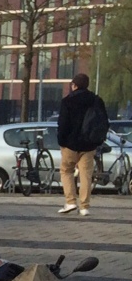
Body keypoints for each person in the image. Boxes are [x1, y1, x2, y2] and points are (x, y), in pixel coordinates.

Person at [56, 72, 109, 218]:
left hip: (70, 144)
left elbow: (62, 123)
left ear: (74, 85)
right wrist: (98, 141)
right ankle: (84, 207)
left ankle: (70, 201)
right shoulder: (96, 100)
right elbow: (104, 122)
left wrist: (61, 141)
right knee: (86, 175)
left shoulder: (67, 101)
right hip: (89, 144)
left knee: (66, 171)